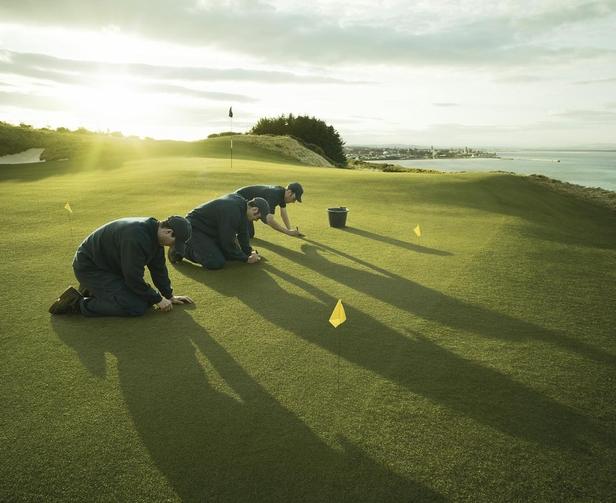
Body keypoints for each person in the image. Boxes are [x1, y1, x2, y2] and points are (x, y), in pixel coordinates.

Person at [48, 216, 194, 316]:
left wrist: (169, 295)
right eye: (174, 243)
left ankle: (92, 291)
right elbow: (133, 278)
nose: (172, 247)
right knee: (136, 307)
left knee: (145, 300)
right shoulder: (136, 237)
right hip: (91, 268)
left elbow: (159, 269)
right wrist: (158, 299)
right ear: (168, 232)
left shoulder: (154, 235)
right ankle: (76, 303)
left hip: (110, 268)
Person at [170, 194, 270, 269]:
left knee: (228, 255)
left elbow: (243, 233)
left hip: (209, 230)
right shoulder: (233, 211)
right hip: (194, 228)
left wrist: (249, 252)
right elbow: (227, 240)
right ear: (255, 209)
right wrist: (245, 259)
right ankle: (179, 249)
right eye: (258, 217)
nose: (256, 220)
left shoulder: (242, 208)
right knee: (215, 262)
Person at [235, 182, 304, 238]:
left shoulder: (282, 194)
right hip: (238, 202)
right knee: (247, 234)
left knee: (249, 233)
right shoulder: (275, 195)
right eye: (294, 199)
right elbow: (270, 220)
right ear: (289, 192)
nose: (293, 201)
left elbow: (283, 214)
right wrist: (288, 232)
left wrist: (290, 230)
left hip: (246, 205)